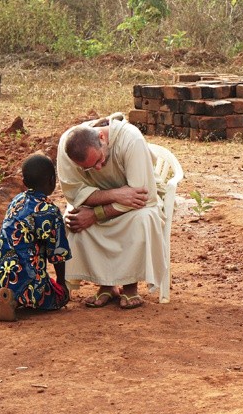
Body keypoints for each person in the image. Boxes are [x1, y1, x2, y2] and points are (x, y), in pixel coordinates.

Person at [57, 113, 167, 309]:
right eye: (89, 168)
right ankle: (106, 285)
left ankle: (130, 286)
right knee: (73, 219)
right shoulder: (66, 146)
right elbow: (74, 194)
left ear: (102, 137)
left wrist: (96, 214)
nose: (98, 168)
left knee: (142, 219)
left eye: (99, 160)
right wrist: (115, 195)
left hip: (137, 206)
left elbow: (142, 196)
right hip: (112, 201)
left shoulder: (131, 139)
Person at [0, 154, 71, 321]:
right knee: (58, 298)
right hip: (26, 278)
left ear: (24, 182)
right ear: (52, 180)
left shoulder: (17, 200)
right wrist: (62, 284)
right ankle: (12, 301)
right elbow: (57, 254)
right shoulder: (49, 211)